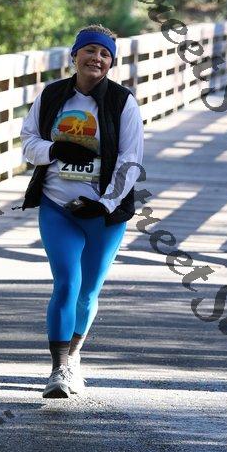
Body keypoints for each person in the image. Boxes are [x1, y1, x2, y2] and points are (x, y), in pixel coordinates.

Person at [18, 24, 144, 398]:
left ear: (111, 62)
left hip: (103, 213)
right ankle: (58, 370)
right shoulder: (52, 95)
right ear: (74, 56)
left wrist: (104, 203)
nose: (96, 58)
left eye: (105, 54)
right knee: (66, 283)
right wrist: (54, 150)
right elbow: (28, 142)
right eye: (89, 50)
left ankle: (73, 357)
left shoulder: (122, 102)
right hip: (57, 205)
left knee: (88, 292)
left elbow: (131, 160)